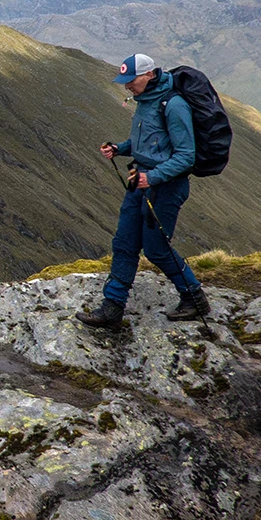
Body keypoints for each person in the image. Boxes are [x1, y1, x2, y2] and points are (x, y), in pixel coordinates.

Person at [76, 53, 212, 328]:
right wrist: (119, 148)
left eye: (131, 80)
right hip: (140, 181)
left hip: (165, 187)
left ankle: (195, 298)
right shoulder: (145, 102)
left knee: (156, 249)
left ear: (149, 75)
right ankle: (112, 308)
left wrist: (153, 177)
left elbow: (186, 155)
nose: (127, 86)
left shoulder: (173, 105)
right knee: (124, 243)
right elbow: (146, 142)